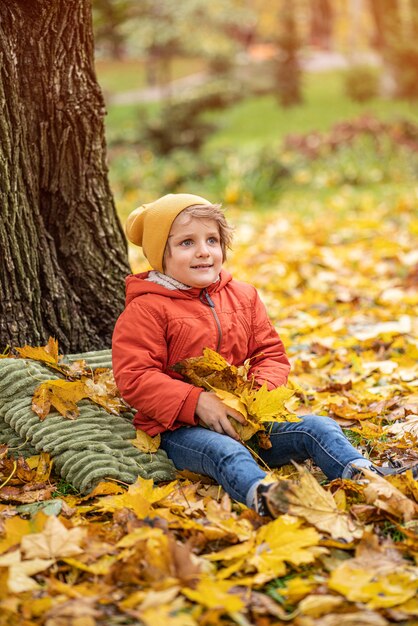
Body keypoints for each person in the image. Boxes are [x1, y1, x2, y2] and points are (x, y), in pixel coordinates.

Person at [112, 193, 417, 516]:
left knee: (319, 427)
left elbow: (270, 353)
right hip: (179, 429)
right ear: (161, 255)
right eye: (187, 243)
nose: (203, 251)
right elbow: (136, 376)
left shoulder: (242, 296)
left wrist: (257, 397)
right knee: (225, 451)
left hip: (247, 418)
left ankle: (362, 474)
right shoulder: (147, 308)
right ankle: (265, 496)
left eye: (212, 240)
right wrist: (195, 402)